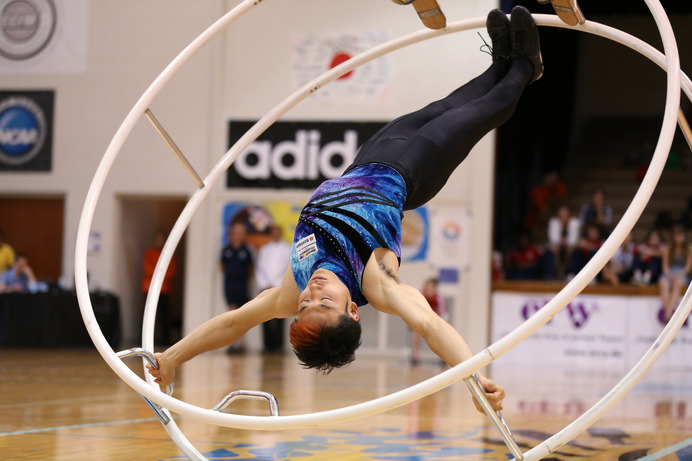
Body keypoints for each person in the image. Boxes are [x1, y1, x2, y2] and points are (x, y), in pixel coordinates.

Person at [148, 6, 545, 413]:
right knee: (476, 114)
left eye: (304, 305)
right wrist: (474, 378)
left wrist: (173, 357)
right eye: (325, 304)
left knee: (448, 104)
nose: (311, 294)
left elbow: (233, 322)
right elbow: (429, 324)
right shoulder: (375, 282)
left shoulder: (293, 286)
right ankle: (524, 68)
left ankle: (500, 61)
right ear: (353, 310)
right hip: (414, 173)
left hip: (367, 158)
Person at [255, 224, 292, 353]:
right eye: (273, 232)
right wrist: (265, 283)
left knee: (280, 316)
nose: (275, 234)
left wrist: (277, 283)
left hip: (280, 286)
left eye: (277, 232)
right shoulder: (264, 249)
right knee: (264, 316)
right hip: (265, 286)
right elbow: (259, 268)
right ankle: (267, 345)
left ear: (280, 233)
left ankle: (278, 345)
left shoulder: (287, 249)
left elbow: (287, 269)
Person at [220, 221, 254, 353]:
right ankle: (232, 343)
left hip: (242, 286)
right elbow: (222, 266)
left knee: (241, 315)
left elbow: (251, 268)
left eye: (241, 233)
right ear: (232, 234)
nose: (239, 235)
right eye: (237, 232)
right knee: (231, 313)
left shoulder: (246, 250)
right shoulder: (226, 250)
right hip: (229, 285)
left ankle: (240, 344)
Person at [141, 231, 177, 346]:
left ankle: (164, 340)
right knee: (147, 316)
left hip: (164, 289)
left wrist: (159, 276)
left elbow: (171, 271)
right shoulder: (149, 253)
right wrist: (158, 275)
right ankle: (145, 340)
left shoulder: (169, 254)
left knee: (164, 316)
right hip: (149, 288)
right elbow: (148, 269)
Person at [411, 278, 448, 365]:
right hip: (421, 320)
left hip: (435, 321)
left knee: (441, 333)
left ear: (435, 289)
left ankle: (442, 356)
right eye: (427, 287)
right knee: (416, 332)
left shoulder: (439, 298)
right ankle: (416, 356)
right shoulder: (420, 295)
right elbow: (414, 309)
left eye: (431, 288)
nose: (428, 290)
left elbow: (443, 313)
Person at [658, 226, 692, 321]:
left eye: (680, 235)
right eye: (677, 235)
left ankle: (668, 315)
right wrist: (669, 275)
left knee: (677, 284)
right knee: (662, 283)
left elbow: (688, 267)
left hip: (682, 273)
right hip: (670, 273)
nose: (679, 237)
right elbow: (665, 266)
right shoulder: (668, 248)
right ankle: (670, 313)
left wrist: (678, 274)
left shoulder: (689, 248)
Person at [546, 205, 581, 279]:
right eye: (561, 216)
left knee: (571, 249)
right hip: (558, 246)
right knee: (554, 249)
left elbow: (573, 240)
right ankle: (557, 272)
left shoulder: (574, 223)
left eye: (565, 216)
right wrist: (561, 242)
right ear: (558, 216)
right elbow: (553, 239)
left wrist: (566, 242)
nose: (563, 218)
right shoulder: (554, 223)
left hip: (569, 247)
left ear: (569, 216)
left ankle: (568, 271)